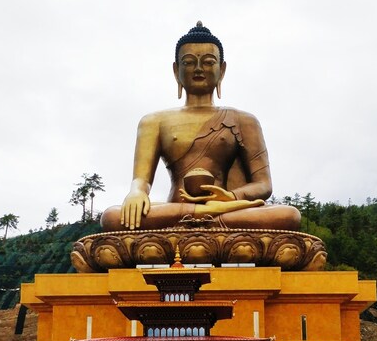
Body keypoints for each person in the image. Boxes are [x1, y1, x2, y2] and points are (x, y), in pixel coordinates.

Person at [101, 22, 301, 232]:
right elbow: (141, 180)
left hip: (226, 209)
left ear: (221, 70)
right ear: (176, 70)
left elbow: (263, 185)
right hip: (178, 208)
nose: (198, 69)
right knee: (113, 217)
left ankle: (199, 219)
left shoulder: (244, 120)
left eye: (208, 62)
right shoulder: (154, 121)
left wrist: (231, 198)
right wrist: (136, 193)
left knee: (288, 215)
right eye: (188, 62)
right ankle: (200, 217)